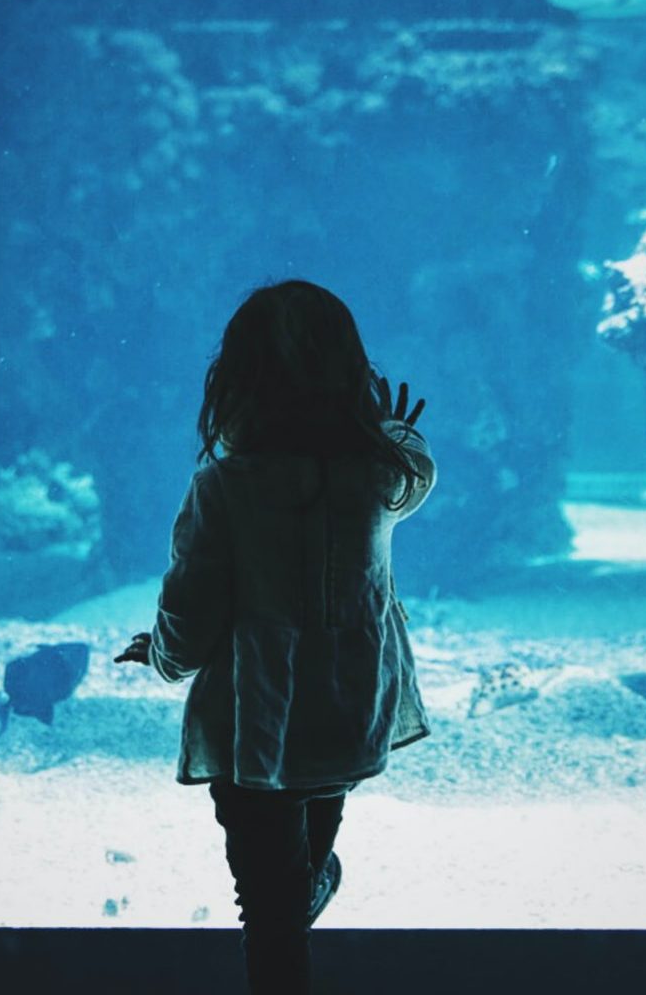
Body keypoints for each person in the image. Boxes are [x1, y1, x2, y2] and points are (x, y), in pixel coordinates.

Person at [114, 279, 436, 995]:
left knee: (269, 911)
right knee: (295, 879)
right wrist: (391, 431)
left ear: (238, 380)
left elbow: (190, 611)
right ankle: (308, 883)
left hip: (254, 726)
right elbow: (417, 474)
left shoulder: (225, 486)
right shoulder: (378, 474)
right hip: (347, 713)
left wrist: (160, 658)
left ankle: (298, 896)